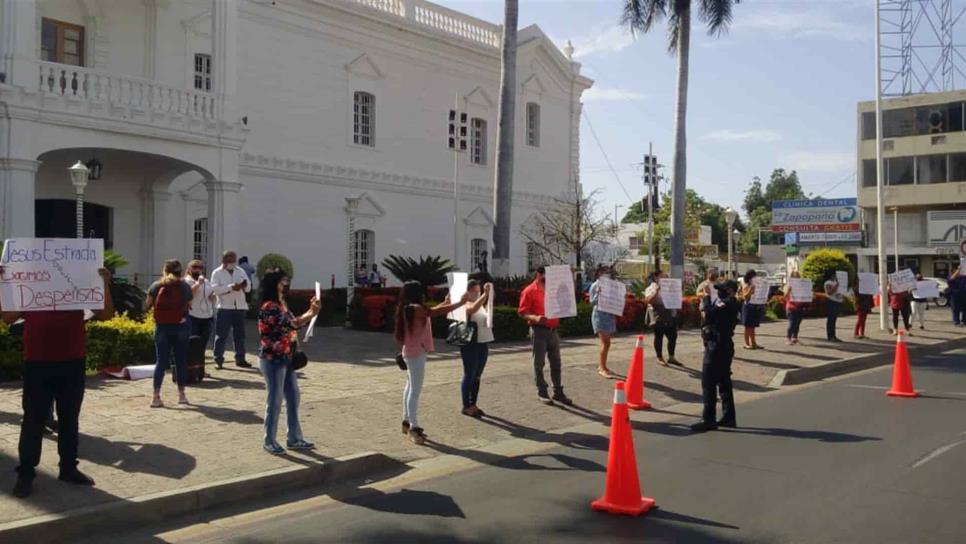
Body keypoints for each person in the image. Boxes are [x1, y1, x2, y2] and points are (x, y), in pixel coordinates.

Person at [2, 266, 114, 499]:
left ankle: (68, 468)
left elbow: (106, 315)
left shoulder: (78, 288)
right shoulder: (32, 290)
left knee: (69, 419)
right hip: (38, 364)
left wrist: (103, 283)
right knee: (33, 420)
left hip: (72, 362)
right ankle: (26, 473)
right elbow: (8, 317)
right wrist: (4, 283)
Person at [257, 271, 321, 455]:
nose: (285, 285)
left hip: (286, 356)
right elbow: (290, 324)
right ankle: (269, 440)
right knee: (275, 400)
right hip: (272, 358)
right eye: (281, 282)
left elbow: (292, 326)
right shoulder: (270, 307)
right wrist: (311, 313)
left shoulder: (281, 305)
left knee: (293, 397)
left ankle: (294, 437)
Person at [395, 281, 467, 445]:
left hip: (412, 351)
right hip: (416, 353)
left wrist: (448, 302)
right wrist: (459, 303)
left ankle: (406, 421)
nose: (423, 293)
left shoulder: (410, 307)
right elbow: (434, 312)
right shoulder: (415, 308)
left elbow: (432, 311)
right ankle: (413, 427)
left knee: (409, 387)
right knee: (415, 390)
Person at [518, 266, 573, 406]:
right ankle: (542, 391)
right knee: (539, 363)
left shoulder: (553, 289)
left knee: (556, 362)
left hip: (553, 330)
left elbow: (565, 298)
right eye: (546, 276)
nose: (549, 279)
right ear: (538, 275)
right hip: (539, 330)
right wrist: (535, 318)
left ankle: (558, 392)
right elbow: (522, 312)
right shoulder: (529, 291)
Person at [691, 279, 741, 433]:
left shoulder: (727, 303)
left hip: (717, 346)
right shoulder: (729, 302)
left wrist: (706, 297)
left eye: (722, 289)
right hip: (722, 345)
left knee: (708, 381)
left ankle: (709, 419)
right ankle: (728, 417)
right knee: (724, 380)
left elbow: (709, 313)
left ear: (730, 291)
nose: (719, 292)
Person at [145, 259, 194, 408]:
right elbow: (189, 305)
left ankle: (156, 397)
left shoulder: (156, 285)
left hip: (162, 327)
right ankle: (181, 395)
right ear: (180, 271)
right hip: (181, 327)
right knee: (180, 361)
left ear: (164, 270)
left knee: (161, 362)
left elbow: (146, 305)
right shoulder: (184, 286)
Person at [459, 280, 495, 417]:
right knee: (470, 374)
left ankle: (473, 403)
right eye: (474, 291)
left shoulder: (480, 304)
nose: (477, 293)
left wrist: (488, 298)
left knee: (478, 375)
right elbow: (471, 309)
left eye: (478, 291)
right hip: (470, 343)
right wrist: (485, 295)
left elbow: (484, 314)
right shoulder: (464, 303)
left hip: (483, 342)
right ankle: (466, 405)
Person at [211, 251, 252, 369]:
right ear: (223, 260)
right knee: (221, 334)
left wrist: (243, 286)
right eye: (229, 259)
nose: (232, 262)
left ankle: (240, 359)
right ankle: (218, 359)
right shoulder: (217, 273)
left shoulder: (240, 271)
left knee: (240, 335)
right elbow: (215, 289)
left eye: (233, 259)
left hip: (240, 307)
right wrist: (230, 288)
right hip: (225, 308)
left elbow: (249, 287)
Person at [644, 270, 680, 365]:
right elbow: (648, 300)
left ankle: (671, 357)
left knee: (673, 337)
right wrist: (657, 290)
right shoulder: (651, 288)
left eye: (666, 276)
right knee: (659, 336)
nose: (666, 278)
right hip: (658, 315)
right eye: (663, 276)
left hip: (670, 314)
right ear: (656, 278)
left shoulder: (669, 287)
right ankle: (659, 357)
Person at [589, 265, 618, 378]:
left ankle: (603, 365)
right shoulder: (595, 285)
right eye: (605, 272)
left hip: (609, 315)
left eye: (609, 272)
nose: (608, 274)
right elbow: (592, 302)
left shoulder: (611, 285)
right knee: (605, 343)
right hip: (600, 316)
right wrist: (599, 293)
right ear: (599, 273)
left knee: (608, 343)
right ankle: (602, 367)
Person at [185, 259, 216, 348]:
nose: (198, 269)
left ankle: (199, 359)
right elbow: (188, 294)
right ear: (189, 269)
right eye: (195, 267)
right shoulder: (187, 281)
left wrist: (213, 295)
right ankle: (191, 360)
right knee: (193, 340)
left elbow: (211, 293)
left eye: (200, 267)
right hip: (193, 316)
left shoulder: (206, 281)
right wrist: (198, 283)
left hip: (207, 316)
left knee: (204, 340)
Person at [738, 270, 763, 349]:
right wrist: (750, 289)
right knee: (747, 326)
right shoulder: (745, 285)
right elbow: (745, 296)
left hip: (754, 306)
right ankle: (747, 343)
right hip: (747, 306)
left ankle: (754, 343)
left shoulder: (754, 284)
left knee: (752, 326)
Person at [783, 271, 805, 345]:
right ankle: (788, 338)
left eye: (798, 277)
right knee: (792, 323)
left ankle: (794, 337)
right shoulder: (788, 286)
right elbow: (785, 296)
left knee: (797, 323)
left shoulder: (801, 285)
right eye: (795, 277)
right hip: (791, 307)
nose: (797, 279)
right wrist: (789, 291)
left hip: (799, 307)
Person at [822, 270, 843, 342]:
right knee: (831, 320)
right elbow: (829, 292)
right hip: (831, 302)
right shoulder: (828, 283)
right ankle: (830, 336)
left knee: (834, 320)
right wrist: (836, 286)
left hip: (837, 301)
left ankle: (833, 336)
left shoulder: (835, 282)